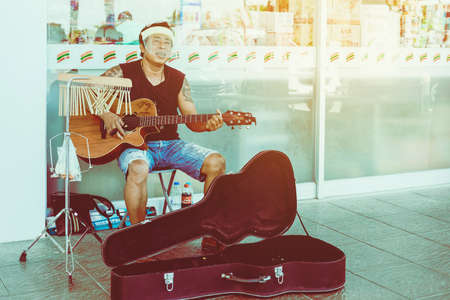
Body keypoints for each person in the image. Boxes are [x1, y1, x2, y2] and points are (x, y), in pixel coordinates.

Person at [100, 22, 226, 229]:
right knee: (138, 167)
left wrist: (207, 126)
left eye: (167, 43)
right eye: (156, 42)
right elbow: (86, 93)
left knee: (216, 162)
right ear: (142, 47)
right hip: (134, 145)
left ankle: (212, 229)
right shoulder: (122, 72)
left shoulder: (179, 79)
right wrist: (106, 114)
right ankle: (136, 236)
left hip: (171, 145)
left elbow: (192, 120)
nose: (162, 47)